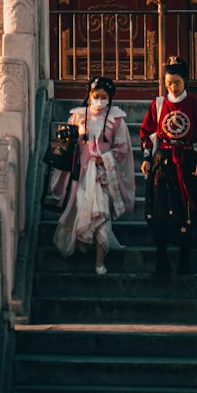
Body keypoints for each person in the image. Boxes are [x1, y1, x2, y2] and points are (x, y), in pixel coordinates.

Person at [51, 75, 135, 276]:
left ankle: (100, 261)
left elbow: (122, 148)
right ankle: (81, 244)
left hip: (104, 173)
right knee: (81, 208)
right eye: (96, 95)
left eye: (104, 96)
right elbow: (68, 144)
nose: (99, 100)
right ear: (89, 95)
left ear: (110, 98)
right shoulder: (78, 116)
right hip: (81, 173)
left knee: (103, 212)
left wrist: (105, 158)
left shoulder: (116, 120)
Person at [139, 56, 197, 278]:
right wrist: (146, 157)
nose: (172, 86)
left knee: (187, 212)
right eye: (168, 82)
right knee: (160, 212)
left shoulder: (196, 106)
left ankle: (185, 262)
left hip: (187, 163)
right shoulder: (158, 105)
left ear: (186, 81)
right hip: (163, 165)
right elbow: (147, 134)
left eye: (177, 82)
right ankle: (162, 263)